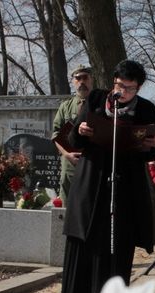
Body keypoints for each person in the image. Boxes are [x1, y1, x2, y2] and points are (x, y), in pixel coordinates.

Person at [60, 60, 155, 293]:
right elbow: (73, 140)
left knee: (119, 244)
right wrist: (81, 131)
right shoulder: (95, 100)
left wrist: (154, 144)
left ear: (138, 88)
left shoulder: (147, 110)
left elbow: (152, 148)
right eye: (119, 85)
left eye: (129, 88)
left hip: (125, 184)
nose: (122, 92)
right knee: (92, 241)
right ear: (113, 81)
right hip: (93, 181)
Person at [52, 65, 93, 206]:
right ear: (73, 81)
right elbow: (55, 134)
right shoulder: (65, 107)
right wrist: (66, 154)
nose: (82, 81)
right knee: (67, 205)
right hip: (70, 165)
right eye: (78, 78)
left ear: (91, 79)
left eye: (85, 77)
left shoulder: (100, 104)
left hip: (93, 163)